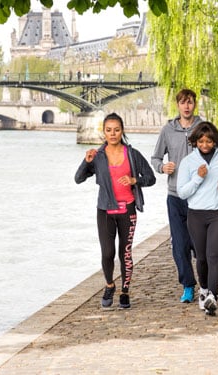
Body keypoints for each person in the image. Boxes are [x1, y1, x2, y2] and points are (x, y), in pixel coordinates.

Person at [75, 112, 156, 309]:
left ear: (122, 131)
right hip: (105, 211)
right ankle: (110, 285)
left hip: (128, 210)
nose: (113, 134)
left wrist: (134, 180)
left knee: (125, 253)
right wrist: (86, 161)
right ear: (103, 132)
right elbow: (78, 178)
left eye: (117, 130)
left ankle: (125, 291)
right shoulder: (98, 156)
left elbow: (151, 178)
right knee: (107, 253)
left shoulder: (132, 154)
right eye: (109, 130)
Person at [151, 89, 203, 303]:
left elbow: (216, 151)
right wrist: (163, 167)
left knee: (198, 245)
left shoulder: (203, 128)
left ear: (194, 104)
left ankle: (206, 283)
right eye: (183, 102)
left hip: (199, 197)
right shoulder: (168, 130)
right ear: (178, 105)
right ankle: (188, 285)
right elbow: (155, 158)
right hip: (175, 196)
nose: (186, 106)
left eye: (190, 102)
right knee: (179, 245)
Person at [177, 121, 218, 316]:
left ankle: (213, 296)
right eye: (201, 141)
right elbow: (182, 192)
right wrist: (198, 178)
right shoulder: (188, 162)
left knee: (213, 256)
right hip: (196, 215)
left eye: (209, 141)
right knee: (201, 258)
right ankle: (203, 289)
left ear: (215, 141)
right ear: (195, 142)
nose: (205, 145)